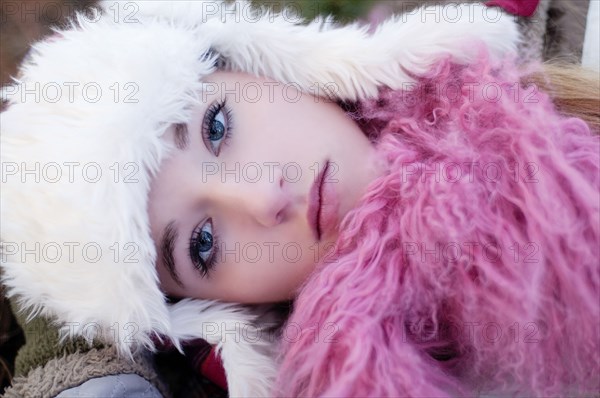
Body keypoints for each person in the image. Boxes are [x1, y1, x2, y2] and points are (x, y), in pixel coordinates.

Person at [0, 0, 597, 397]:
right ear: (210, 314)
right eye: (203, 245)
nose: (263, 198)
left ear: (262, 66)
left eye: (216, 127)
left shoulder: (571, 41)